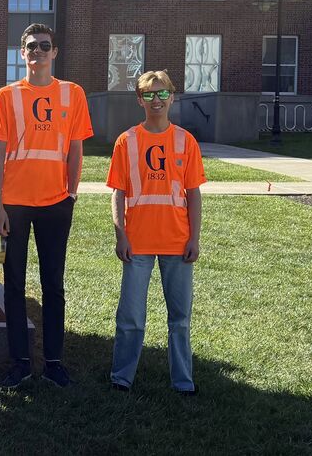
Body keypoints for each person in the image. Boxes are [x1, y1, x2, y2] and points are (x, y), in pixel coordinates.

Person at [0, 24, 93, 390]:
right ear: (22, 54)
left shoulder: (73, 93)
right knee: (13, 286)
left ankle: (53, 362)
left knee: (54, 284)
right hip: (14, 204)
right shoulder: (5, 96)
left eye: (44, 46)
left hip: (55, 203)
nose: (37, 52)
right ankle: (19, 362)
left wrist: (72, 193)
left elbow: (76, 148)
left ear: (54, 53)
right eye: (31, 46)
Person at [105, 70, 206, 396]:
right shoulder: (127, 140)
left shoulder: (185, 141)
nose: (156, 100)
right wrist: (121, 234)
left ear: (172, 97)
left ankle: (182, 381)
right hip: (138, 242)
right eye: (149, 94)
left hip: (177, 241)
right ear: (140, 99)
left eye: (162, 93)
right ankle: (122, 377)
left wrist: (194, 238)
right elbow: (118, 192)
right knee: (131, 317)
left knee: (180, 319)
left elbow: (194, 193)